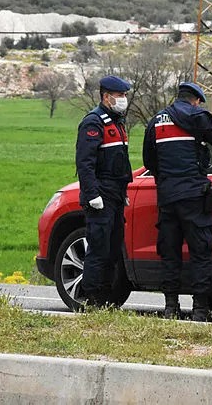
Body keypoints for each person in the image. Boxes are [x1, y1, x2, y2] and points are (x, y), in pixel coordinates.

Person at [143, 82, 212, 321]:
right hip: (194, 197)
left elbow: (149, 162)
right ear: (196, 100)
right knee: (200, 253)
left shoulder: (156, 121)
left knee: (170, 252)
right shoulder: (200, 118)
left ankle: (171, 307)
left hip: (167, 197)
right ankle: (200, 310)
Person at [75, 75, 133, 308]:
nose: (124, 99)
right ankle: (92, 298)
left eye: (125, 95)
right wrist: (92, 194)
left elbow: (119, 162)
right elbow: (85, 163)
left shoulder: (116, 122)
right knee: (98, 249)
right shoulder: (94, 122)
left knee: (112, 249)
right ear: (106, 96)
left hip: (115, 194)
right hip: (101, 194)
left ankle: (108, 298)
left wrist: (123, 191)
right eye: (120, 95)